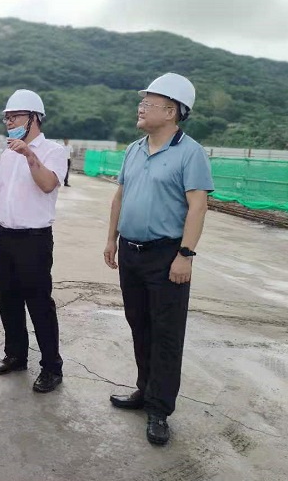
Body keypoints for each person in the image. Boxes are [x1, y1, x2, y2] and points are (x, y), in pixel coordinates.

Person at [103, 73, 213, 446]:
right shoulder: (134, 149)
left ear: (171, 111)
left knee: (166, 333)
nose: (140, 107)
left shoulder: (191, 153)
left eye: (148, 103)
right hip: (131, 252)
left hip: (167, 256)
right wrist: (111, 239)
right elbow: (120, 196)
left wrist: (186, 254)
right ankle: (144, 389)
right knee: (140, 324)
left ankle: (159, 409)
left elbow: (198, 206)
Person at [0, 90, 67, 393]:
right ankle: (16, 355)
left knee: (39, 303)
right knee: (8, 299)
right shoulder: (6, 154)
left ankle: (51, 367)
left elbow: (47, 184)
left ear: (34, 118)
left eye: (15, 116)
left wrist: (30, 155)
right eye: (6, 117)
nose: (9, 122)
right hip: (5, 235)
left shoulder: (54, 151)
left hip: (34, 239)